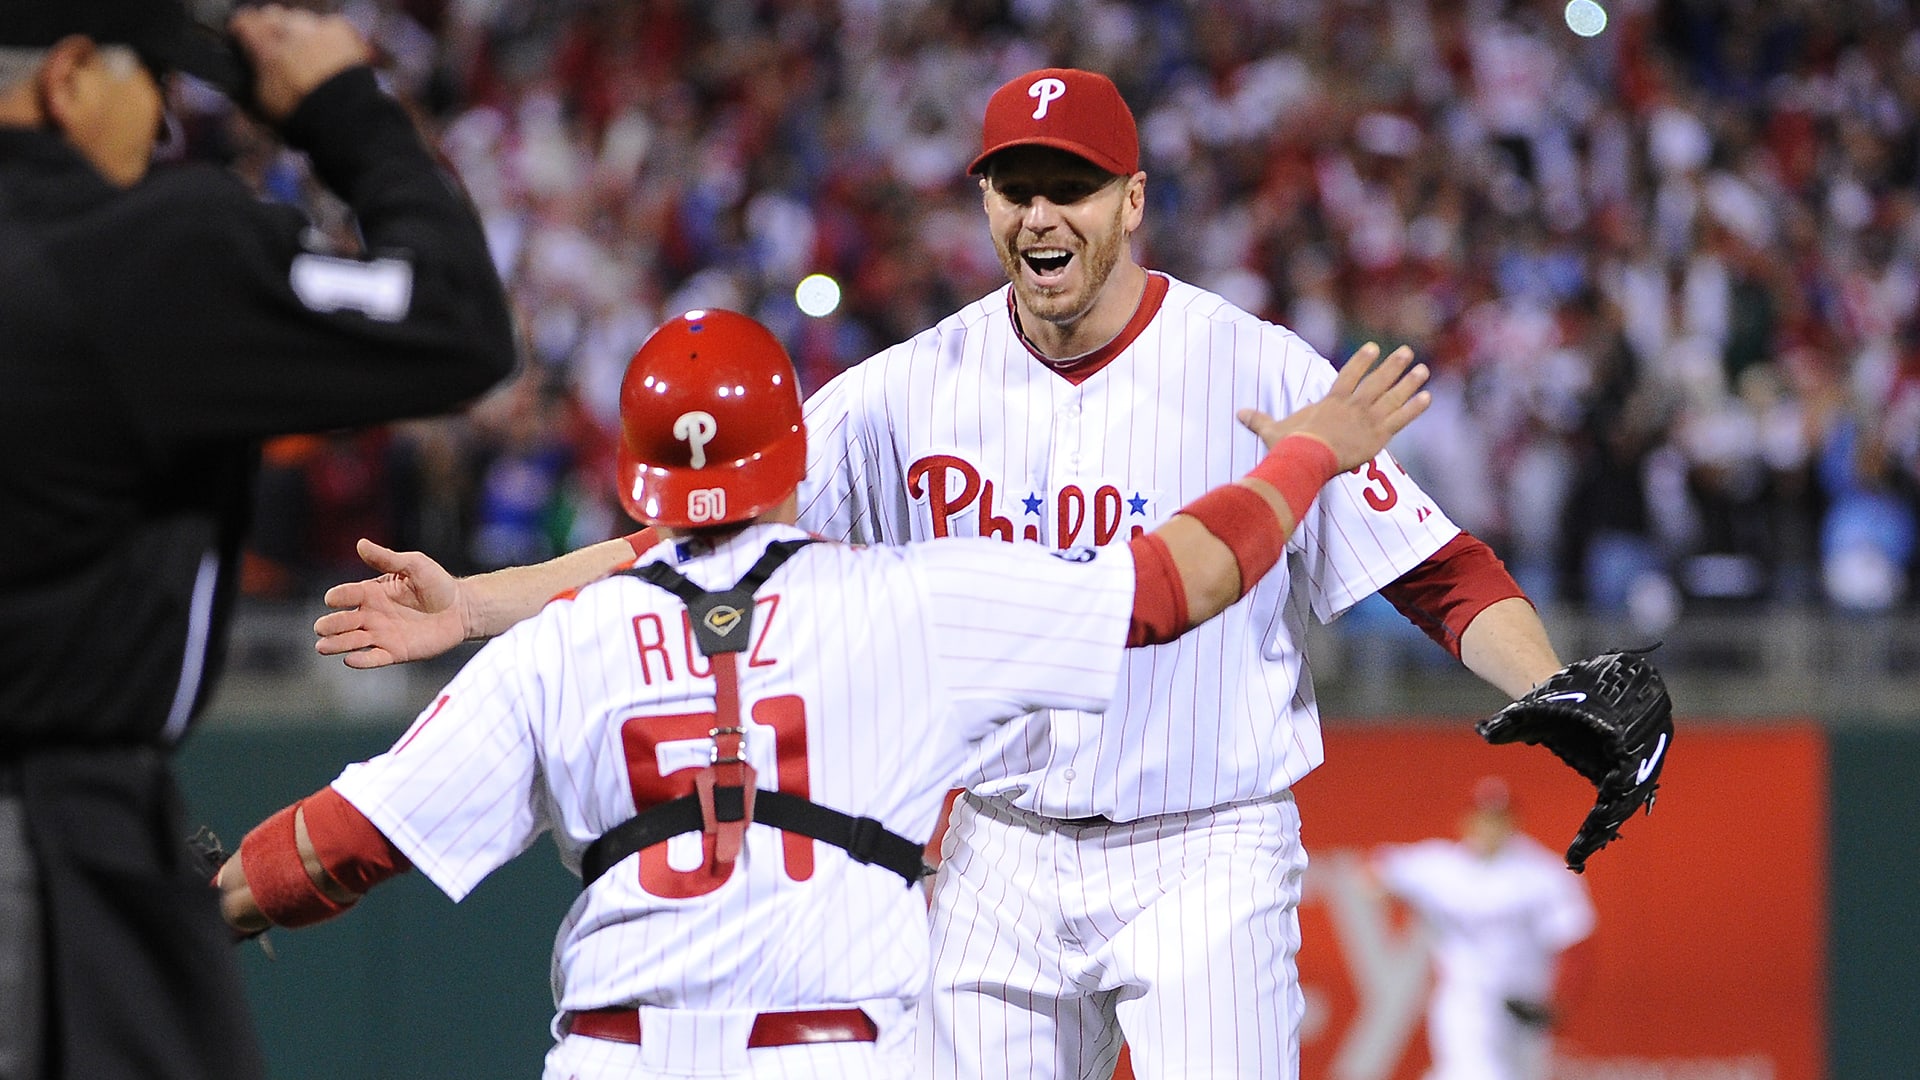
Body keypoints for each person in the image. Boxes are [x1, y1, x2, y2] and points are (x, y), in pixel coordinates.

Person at [315, 69, 1573, 1080]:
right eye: (1014, 188)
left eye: (1069, 187)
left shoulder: (1251, 364)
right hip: (994, 849)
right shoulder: (906, 389)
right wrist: (481, 603)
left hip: (1206, 839)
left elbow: (1437, 571)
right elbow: (701, 536)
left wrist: (1558, 685)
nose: (1039, 216)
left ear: (1133, 201)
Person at [215, 307, 1433, 1080]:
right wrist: (1309, 448)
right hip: (832, 1055)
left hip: (615, 1055)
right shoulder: (908, 603)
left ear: (639, 484)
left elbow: (338, 847)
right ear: (796, 456)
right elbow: (1173, 584)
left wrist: (183, 912)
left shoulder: (563, 641)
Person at [0, 2, 517, 1077]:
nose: (168, 124)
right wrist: (344, 115)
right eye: (157, 83)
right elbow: (457, 321)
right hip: (48, 847)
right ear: (69, 76)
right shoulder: (140, 252)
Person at [1370, 778, 1597, 1080]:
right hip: (1467, 1001)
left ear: (1514, 822)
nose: (1490, 827)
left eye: (1498, 819)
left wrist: (1558, 1001)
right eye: (1483, 818)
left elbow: (1576, 941)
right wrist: (1392, 898)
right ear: (1466, 821)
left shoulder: (1544, 873)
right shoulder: (1441, 867)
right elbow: (1376, 871)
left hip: (1525, 1005)